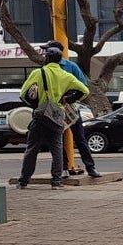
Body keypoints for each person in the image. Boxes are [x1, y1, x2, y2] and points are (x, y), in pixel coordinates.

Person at [17, 48, 90, 189]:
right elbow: (85, 90)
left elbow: (23, 93)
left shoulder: (38, 73)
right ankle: (56, 181)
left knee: (32, 149)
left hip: (41, 116)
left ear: (47, 58)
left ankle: (23, 181)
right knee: (57, 149)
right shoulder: (65, 75)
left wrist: (36, 104)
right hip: (57, 116)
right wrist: (69, 99)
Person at [38, 41, 102, 179]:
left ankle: (90, 167)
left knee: (80, 138)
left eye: (48, 51)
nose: (45, 54)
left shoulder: (71, 66)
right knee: (57, 139)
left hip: (70, 107)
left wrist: (71, 97)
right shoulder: (44, 69)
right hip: (54, 108)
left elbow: (83, 86)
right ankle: (64, 168)